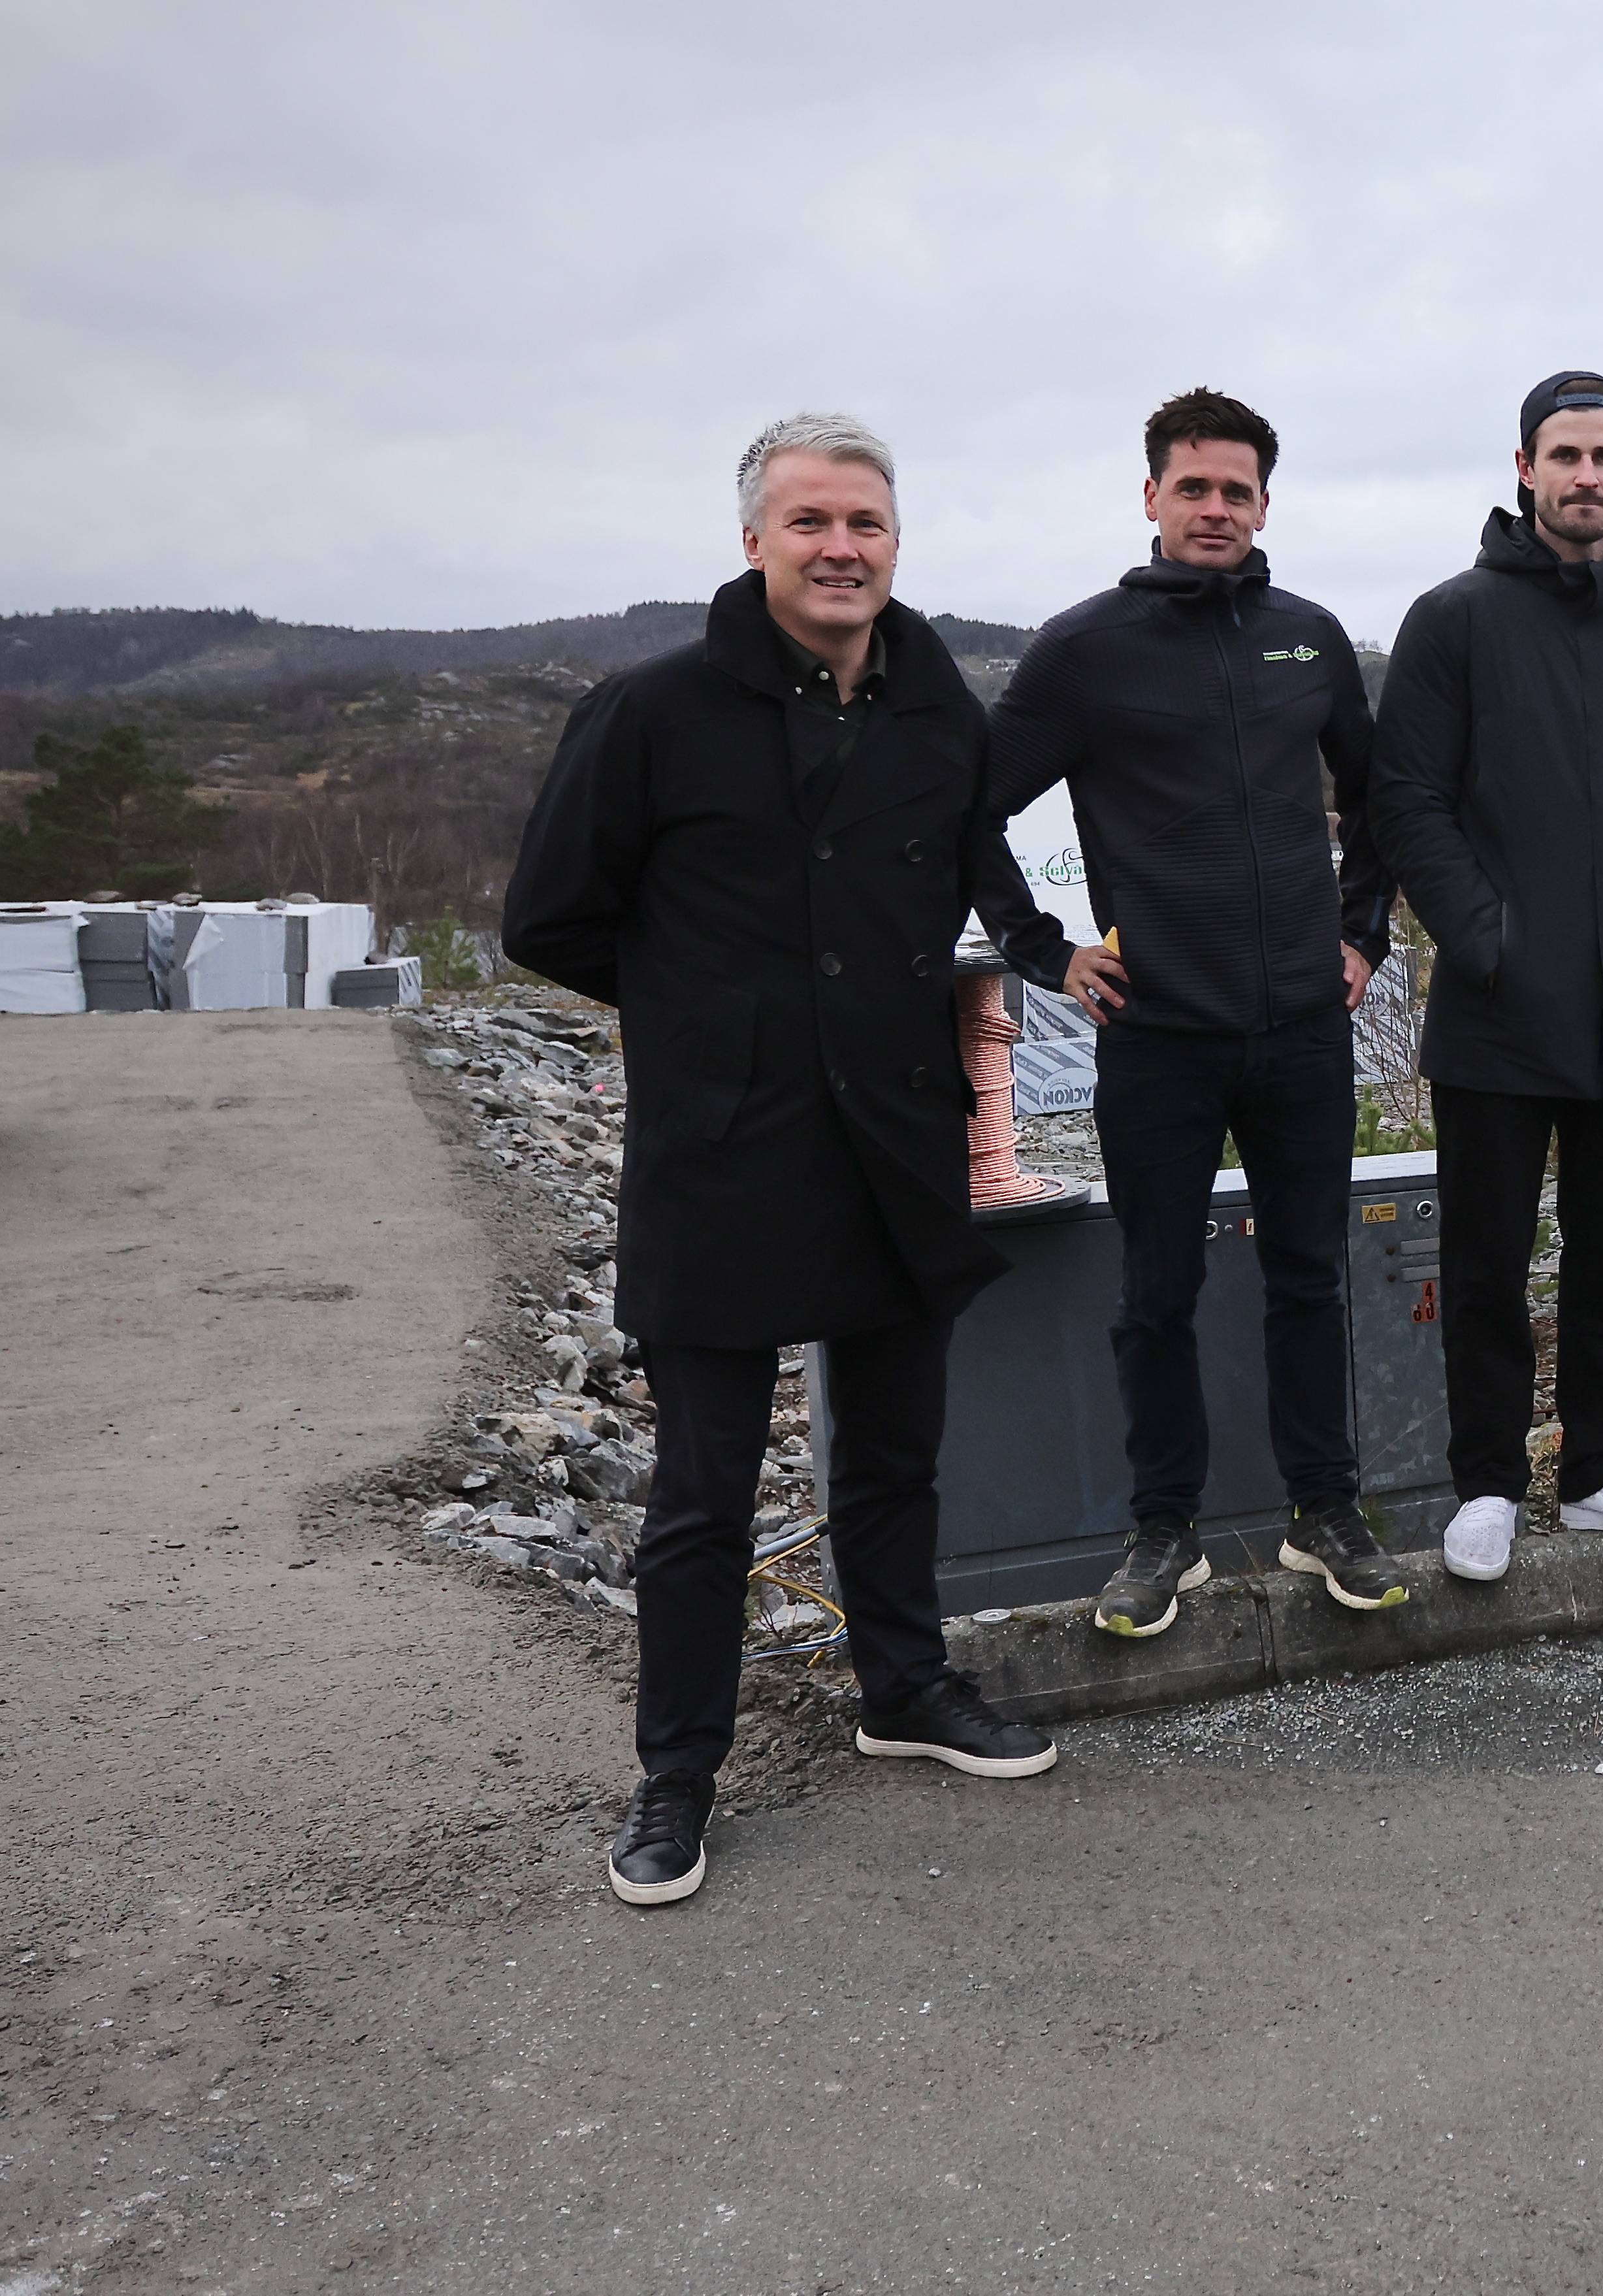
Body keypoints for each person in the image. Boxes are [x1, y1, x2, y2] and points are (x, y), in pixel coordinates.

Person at [503, 411, 1058, 1910]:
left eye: (864, 523)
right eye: (810, 522)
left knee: (892, 1454)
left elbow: (980, 882)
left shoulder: (939, 715)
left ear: (896, 542)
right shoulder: (651, 712)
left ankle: (902, 1687)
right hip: (723, 1144)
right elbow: (545, 916)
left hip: (894, 1133)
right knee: (703, 1490)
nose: (839, 548)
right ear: (753, 539)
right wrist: (710, 1014)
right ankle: (675, 1774)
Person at [982, 388, 1407, 1637]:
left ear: (1264, 503)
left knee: (1309, 1277)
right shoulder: (1083, 649)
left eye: (1237, 490)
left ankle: (1324, 1508)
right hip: (1160, 1034)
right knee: (1154, 1291)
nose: (1215, 507)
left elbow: (1378, 798)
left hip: (1302, 1030)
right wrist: (1043, 949)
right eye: (1193, 487)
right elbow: (967, 806)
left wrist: (1363, 934)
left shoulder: (1308, 639)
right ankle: (1162, 1531)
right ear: (1152, 495)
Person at [1372, 370, 1603, 1584]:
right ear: (1525, 468)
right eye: (1566, 455)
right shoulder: (1453, 620)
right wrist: (1486, 938)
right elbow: (1407, 801)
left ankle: (1600, 1470)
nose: (1587, 475)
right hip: (1496, 1009)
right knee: (1485, 1256)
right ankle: (1487, 1481)